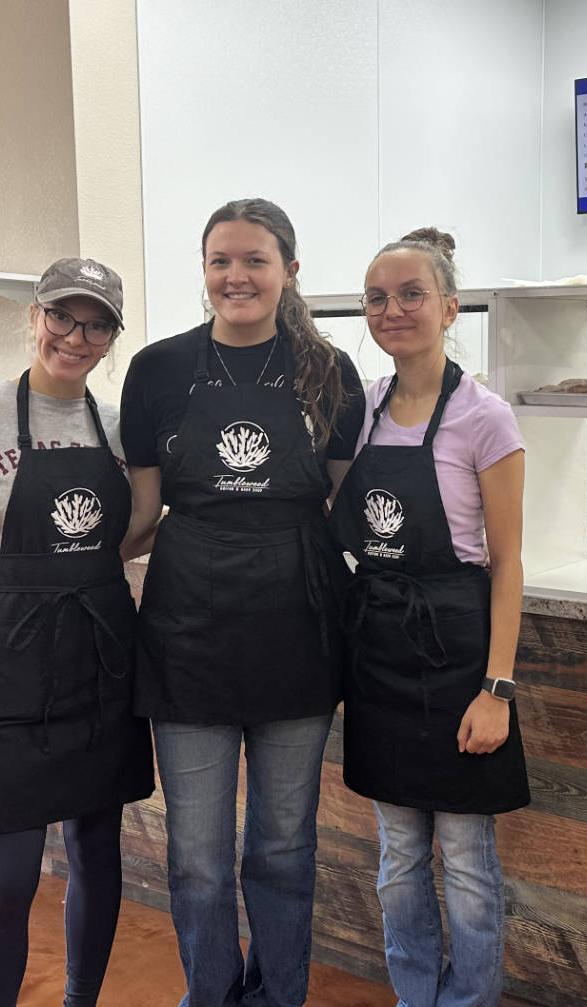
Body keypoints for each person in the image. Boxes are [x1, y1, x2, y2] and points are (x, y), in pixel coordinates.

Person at [120, 198, 365, 1007]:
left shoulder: (329, 372)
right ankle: (213, 994)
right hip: (188, 624)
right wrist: (44, 559)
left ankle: (278, 996)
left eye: (255, 260)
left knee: (284, 845)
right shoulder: (157, 370)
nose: (237, 276)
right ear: (204, 271)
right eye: (221, 260)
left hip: (298, 620)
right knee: (195, 852)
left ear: (289, 271)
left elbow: (344, 509)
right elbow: (143, 516)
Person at [0, 257, 155, 1007]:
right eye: (62, 316)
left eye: (96, 324)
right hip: (10, 656)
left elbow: (140, 524)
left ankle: (79, 1000)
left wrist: (78, 564)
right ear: (34, 316)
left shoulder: (120, 428)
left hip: (101, 654)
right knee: (10, 873)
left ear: (113, 337)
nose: (75, 337)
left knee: (96, 850)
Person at [331, 228, 530, 1007]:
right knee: (399, 856)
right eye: (377, 298)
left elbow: (509, 564)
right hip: (380, 647)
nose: (393, 310)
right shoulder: (365, 408)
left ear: (449, 307)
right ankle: (418, 997)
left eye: (411, 294)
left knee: (469, 859)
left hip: (458, 649)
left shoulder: (486, 418)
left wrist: (498, 688)